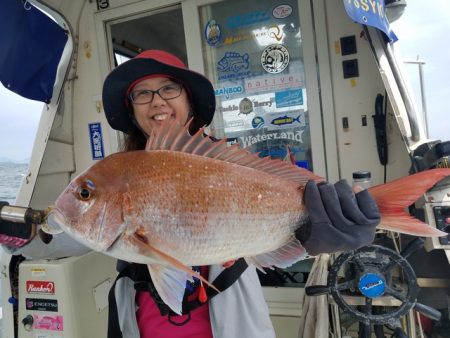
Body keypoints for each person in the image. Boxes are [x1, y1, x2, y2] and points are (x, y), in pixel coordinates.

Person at [0, 50, 380, 338]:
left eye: (169, 88)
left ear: (188, 101)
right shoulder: (118, 172)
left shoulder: (230, 167)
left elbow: (275, 250)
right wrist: (22, 236)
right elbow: (71, 234)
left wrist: (314, 235)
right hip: (142, 324)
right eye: (142, 94)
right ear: (132, 111)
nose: (157, 101)